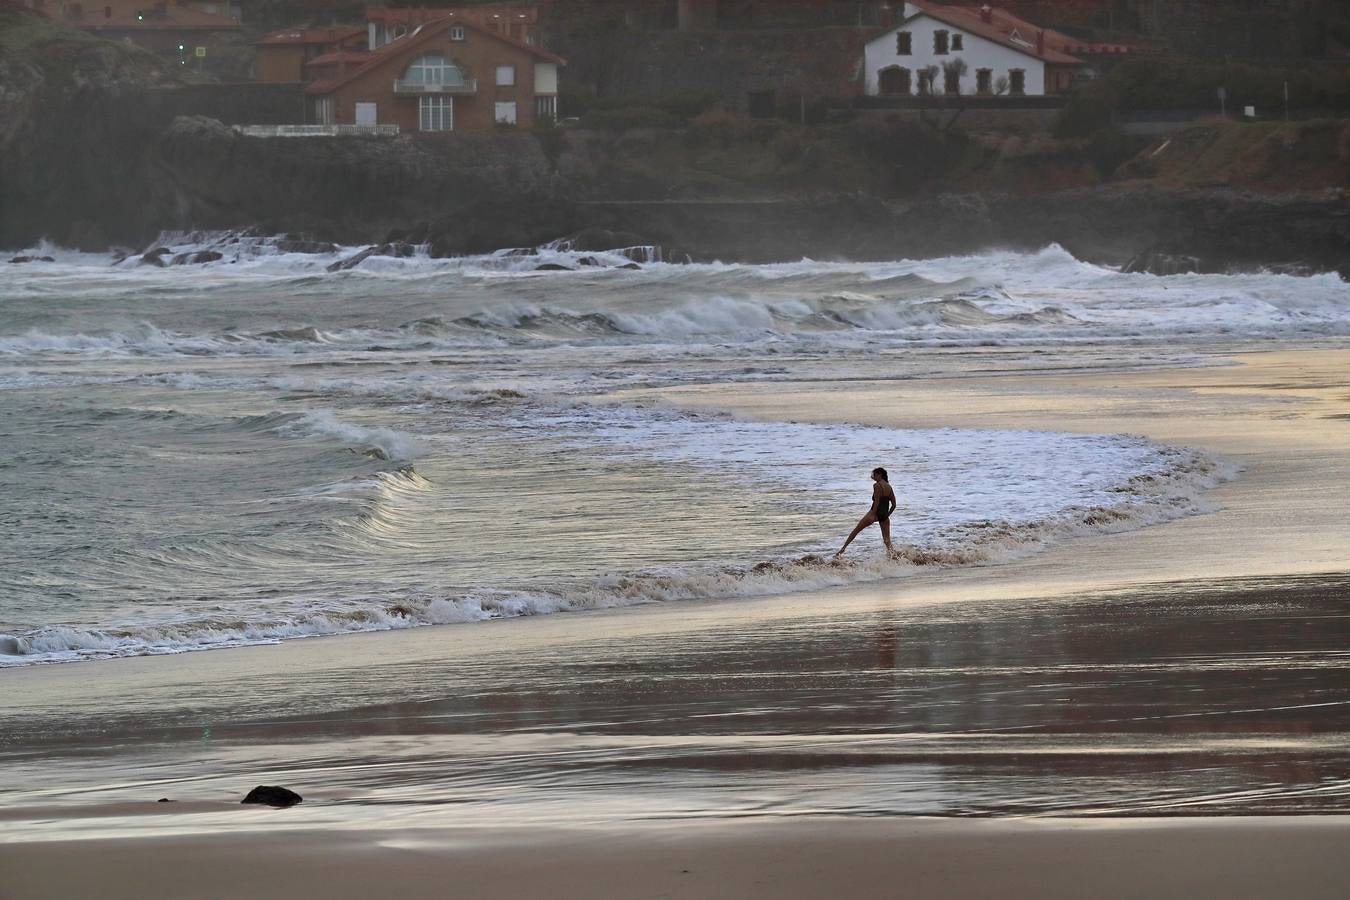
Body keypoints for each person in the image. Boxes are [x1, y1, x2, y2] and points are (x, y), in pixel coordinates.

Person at [834, 467, 895, 559]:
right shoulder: (889, 487)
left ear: (879, 474)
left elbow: (877, 502)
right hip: (884, 515)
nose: (873, 477)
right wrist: (887, 515)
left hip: (874, 513)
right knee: (887, 541)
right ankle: (893, 557)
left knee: (856, 530)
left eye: (874, 474)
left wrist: (873, 514)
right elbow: (894, 505)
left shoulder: (877, 485)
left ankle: (842, 550)